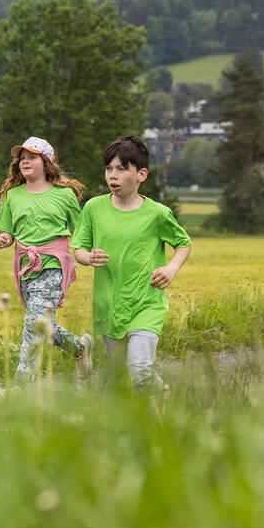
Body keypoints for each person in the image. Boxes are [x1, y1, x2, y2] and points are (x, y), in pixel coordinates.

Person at [71, 134, 191, 387]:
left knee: (138, 369)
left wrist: (171, 268)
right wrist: (88, 257)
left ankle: (159, 406)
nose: (112, 175)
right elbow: (79, 248)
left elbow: (183, 243)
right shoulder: (93, 208)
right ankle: (153, 402)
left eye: (122, 169)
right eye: (108, 169)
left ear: (142, 175)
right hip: (109, 307)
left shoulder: (157, 213)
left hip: (146, 304)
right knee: (121, 376)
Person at [0, 136, 93, 379]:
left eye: (32, 157)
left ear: (47, 162)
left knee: (34, 323)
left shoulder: (65, 195)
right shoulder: (13, 196)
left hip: (53, 266)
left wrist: (87, 251)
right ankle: (79, 347)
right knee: (41, 323)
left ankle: (22, 382)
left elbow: (81, 229)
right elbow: (8, 230)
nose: (24, 162)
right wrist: (6, 238)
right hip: (26, 268)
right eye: (22, 159)